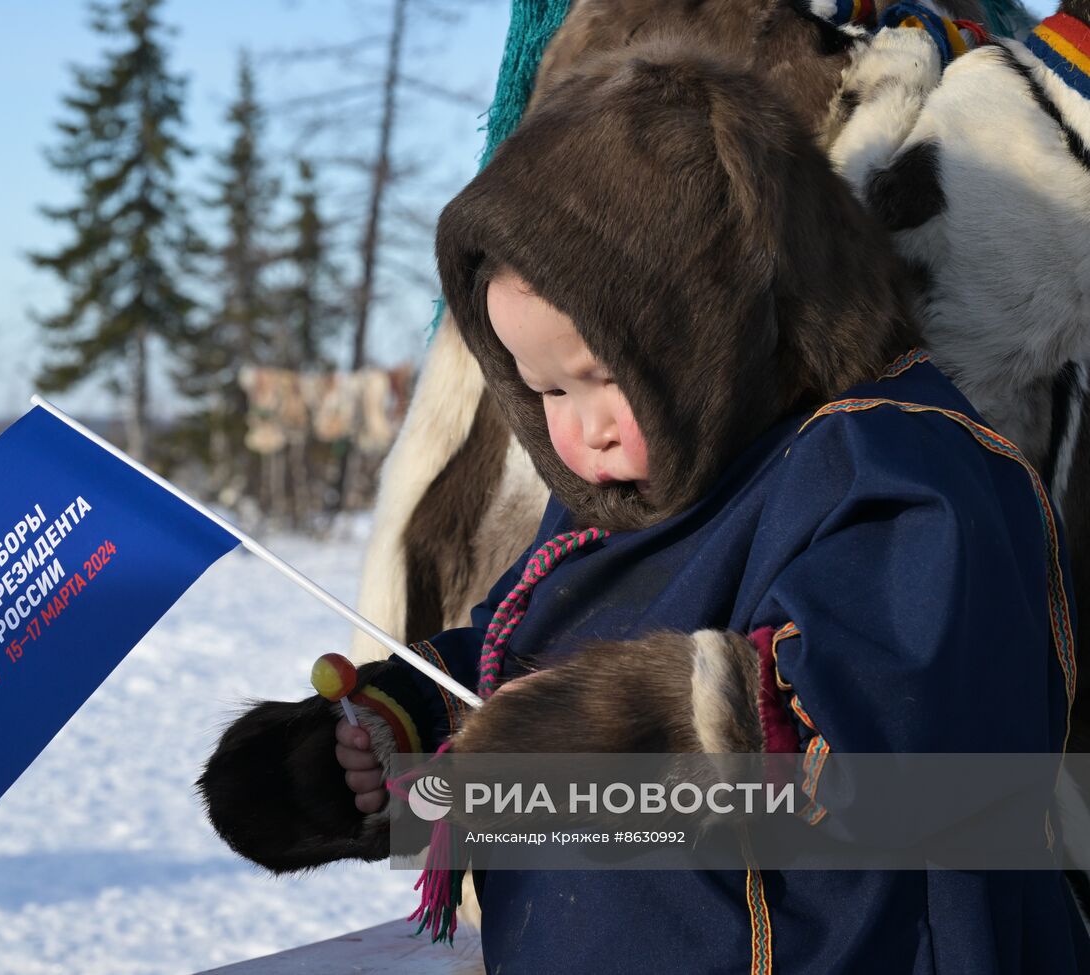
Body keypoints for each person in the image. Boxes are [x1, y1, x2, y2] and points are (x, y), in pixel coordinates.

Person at [199, 39, 1087, 973]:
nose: (582, 434)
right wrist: (400, 733)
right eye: (543, 391)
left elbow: (892, 736)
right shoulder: (621, 494)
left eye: (603, 375)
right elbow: (522, 660)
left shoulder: (902, 468)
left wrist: (572, 742)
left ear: (724, 316)